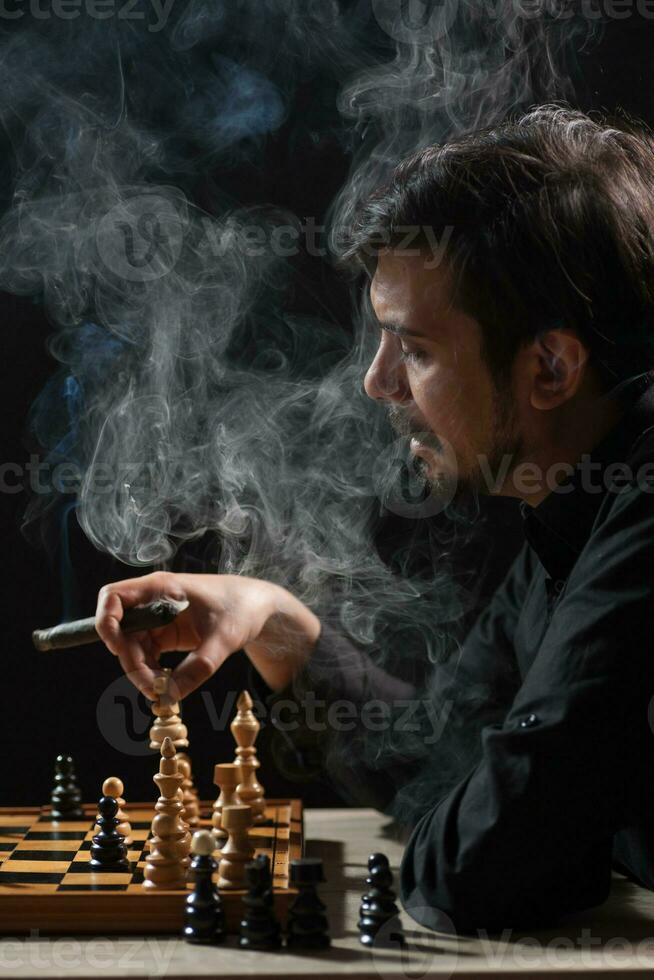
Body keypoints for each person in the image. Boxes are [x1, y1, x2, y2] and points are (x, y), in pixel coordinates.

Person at [96, 105, 654, 933]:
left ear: (550, 366)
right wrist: (274, 622)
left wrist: (502, 820)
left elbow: (480, 868)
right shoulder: (568, 509)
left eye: (416, 350)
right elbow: (431, 765)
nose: (377, 382)